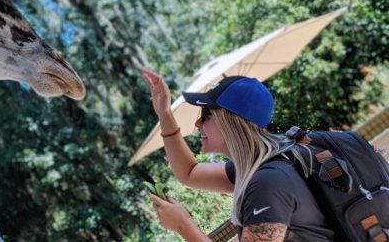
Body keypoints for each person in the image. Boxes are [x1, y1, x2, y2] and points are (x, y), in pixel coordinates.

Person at [139, 67, 336, 241]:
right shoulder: (263, 164)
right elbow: (188, 172)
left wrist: (183, 225)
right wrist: (164, 113)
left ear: (231, 121)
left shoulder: (267, 184)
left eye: (207, 114)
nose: (197, 124)